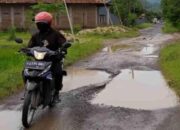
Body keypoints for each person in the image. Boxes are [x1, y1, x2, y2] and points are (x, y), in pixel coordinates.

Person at [28, 11, 66, 102]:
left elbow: (63, 43)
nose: (40, 25)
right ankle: (28, 91)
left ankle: (56, 92)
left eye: (42, 24)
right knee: (26, 71)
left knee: (58, 73)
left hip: (53, 60)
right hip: (38, 60)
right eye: (38, 23)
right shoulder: (35, 36)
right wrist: (27, 50)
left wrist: (63, 50)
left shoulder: (56, 34)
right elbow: (30, 46)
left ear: (48, 23)